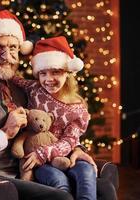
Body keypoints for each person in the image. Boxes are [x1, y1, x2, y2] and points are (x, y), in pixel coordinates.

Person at [0, 10, 96, 200]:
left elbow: (51, 126)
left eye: (13, 47)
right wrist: (5, 133)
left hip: (25, 171)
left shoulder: (23, 89)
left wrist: (77, 148)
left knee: (97, 186)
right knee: (61, 198)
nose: (6, 55)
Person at [10, 36, 96, 199]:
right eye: (43, 73)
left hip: (64, 155)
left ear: (68, 72)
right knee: (58, 180)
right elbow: (9, 76)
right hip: (37, 159)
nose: (48, 79)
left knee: (87, 173)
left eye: (55, 72)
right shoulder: (34, 89)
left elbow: (69, 140)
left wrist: (44, 153)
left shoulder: (78, 107)